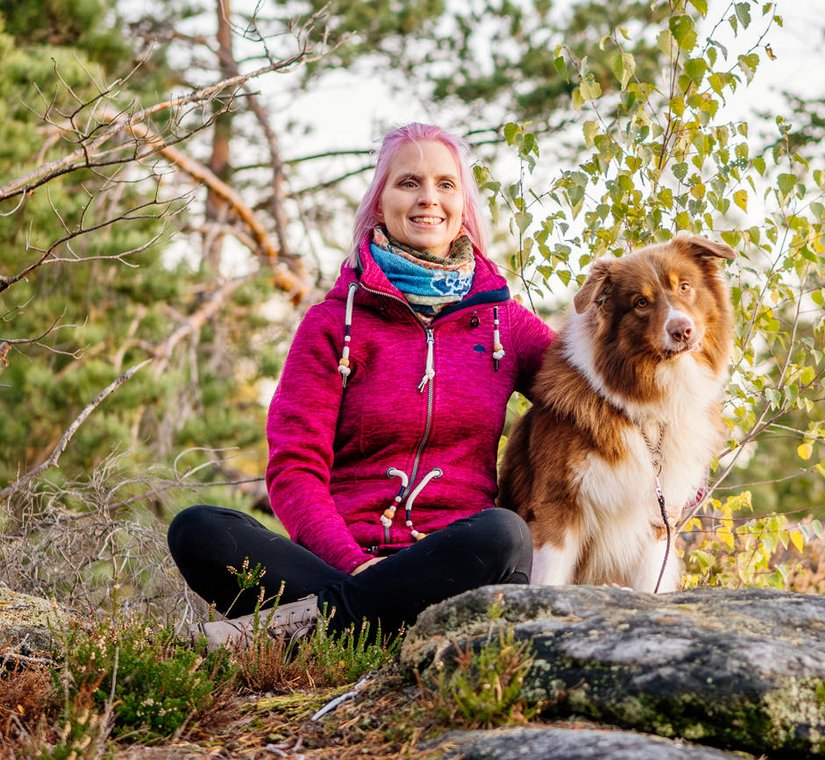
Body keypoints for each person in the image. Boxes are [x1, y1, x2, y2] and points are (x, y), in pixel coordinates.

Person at [167, 123, 553, 648]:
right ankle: (367, 620)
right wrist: (358, 568)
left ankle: (292, 632)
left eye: (446, 184)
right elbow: (294, 468)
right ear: (379, 202)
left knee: (504, 534)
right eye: (409, 183)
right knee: (199, 528)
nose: (428, 200)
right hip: (334, 561)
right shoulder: (331, 324)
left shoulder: (505, 324)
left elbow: (593, 395)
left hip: (453, 564)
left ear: (463, 204)